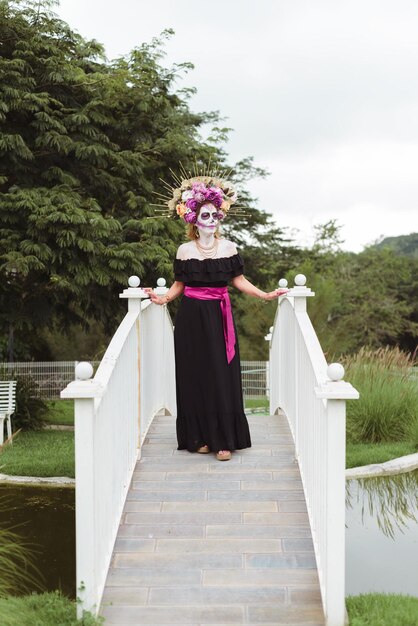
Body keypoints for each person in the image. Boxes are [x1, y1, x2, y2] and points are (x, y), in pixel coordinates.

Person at [145, 174, 287, 461]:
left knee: (221, 375)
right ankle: (199, 438)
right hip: (191, 318)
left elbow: (239, 280)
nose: (211, 219)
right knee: (194, 375)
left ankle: (224, 441)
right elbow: (179, 286)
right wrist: (163, 299)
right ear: (193, 219)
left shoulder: (229, 248)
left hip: (219, 316)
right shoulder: (184, 251)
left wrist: (264, 295)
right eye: (204, 215)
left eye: (214, 214)